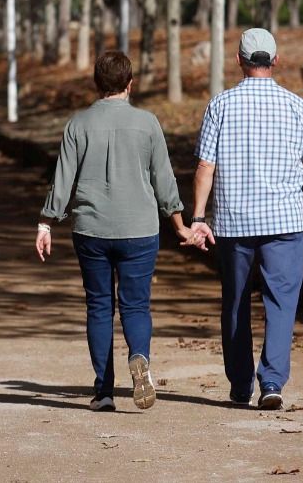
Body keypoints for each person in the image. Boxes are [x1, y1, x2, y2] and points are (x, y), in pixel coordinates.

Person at [36, 50, 189, 413]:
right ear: (130, 84)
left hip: (91, 230)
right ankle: (139, 358)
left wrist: (46, 222)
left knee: (99, 307)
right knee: (136, 305)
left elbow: (63, 180)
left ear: (96, 84)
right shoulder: (148, 123)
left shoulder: (78, 124)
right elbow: (164, 180)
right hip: (139, 229)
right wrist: (180, 223)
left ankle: (103, 391)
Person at [187, 28, 303, 411]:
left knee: (235, 301)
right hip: (285, 222)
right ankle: (271, 382)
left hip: (234, 223)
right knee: (281, 303)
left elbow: (205, 165)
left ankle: (239, 384)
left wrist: (199, 215)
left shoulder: (220, 105)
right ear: (276, 61)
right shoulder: (297, 106)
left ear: (239, 61)